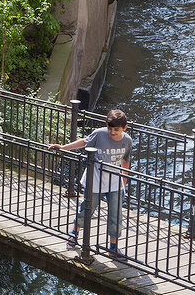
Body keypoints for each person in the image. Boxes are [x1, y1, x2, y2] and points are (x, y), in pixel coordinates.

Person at [49, 109, 133, 257]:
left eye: (116, 130)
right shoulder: (100, 134)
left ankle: (113, 246)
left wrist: (123, 183)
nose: (112, 132)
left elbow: (125, 162)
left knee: (116, 214)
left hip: (114, 182)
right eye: (110, 128)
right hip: (95, 180)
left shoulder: (127, 141)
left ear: (124, 128)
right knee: (86, 210)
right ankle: (74, 234)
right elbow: (84, 142)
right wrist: (63, 147)